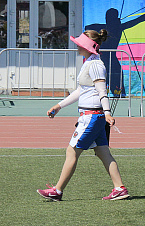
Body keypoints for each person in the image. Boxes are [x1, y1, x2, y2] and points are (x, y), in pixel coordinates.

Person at [37, 30, 129, 201]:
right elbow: (81, 90)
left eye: (80, 44)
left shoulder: (95, 65)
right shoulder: (90, 63)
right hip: (94, 116)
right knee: (103, 152)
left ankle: (57, 191)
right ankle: (120, 188)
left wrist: (108, 113)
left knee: (72, 151)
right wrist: (59, 106)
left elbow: (102, 91)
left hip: (92, 116)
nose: (78, 46)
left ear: (88, 46)